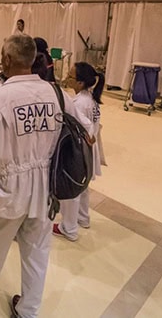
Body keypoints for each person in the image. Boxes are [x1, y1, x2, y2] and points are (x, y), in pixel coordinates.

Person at [0, 34, 89, 318]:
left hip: (6, 188)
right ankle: (28, 310)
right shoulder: (57, 94)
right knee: (37, 250)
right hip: (46, 189)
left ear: (6, 60)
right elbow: (84, 134)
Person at [53, 62, 104, 241]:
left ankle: (68, 227)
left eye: (71, 75)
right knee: (83, 186)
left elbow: (83, 127)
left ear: (80, 82)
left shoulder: (79, 103)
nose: (67, 77)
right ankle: (83, 217)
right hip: (88, 150)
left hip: (78, 150)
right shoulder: (90, 99)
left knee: (72, 187)